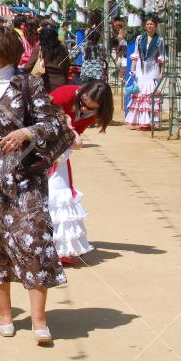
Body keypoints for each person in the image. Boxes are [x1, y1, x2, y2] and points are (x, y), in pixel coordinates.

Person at [0, 27, 73, 345]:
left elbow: (53, 123)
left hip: (25, 178)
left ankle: (39, 319)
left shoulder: (29, 85)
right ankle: (4, 313)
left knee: (34, 241)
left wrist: (27, 133)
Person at [47, 79, 114, 265]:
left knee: (60, 197)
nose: (84, 108)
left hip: (61, 153)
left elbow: (76, 139)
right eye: (82, 103)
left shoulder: (94, 114)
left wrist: (68, 133)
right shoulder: (64, 95)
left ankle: (62, 248)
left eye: (91, 107)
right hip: (39, 146)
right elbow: (39, 117)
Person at [126, 17, 164, 130]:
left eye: (151, 24)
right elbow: (136, 55)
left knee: (150, 94)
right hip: (140, 70)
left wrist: (162, 72)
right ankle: (140, 122)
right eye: (147, 24)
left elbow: (162, 57)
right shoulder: (140, 38)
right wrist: (132, 70)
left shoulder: (159, 40)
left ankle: (151, 121)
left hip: (152, 69)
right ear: (145, 26)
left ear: (155, 26)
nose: (149, 26)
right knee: (140, 94)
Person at [37, 24, 72, 91]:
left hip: (44, 85)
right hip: (61, 84)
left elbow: (28, 66)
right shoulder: (63, 49)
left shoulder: (40, 49)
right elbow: (67, 67)